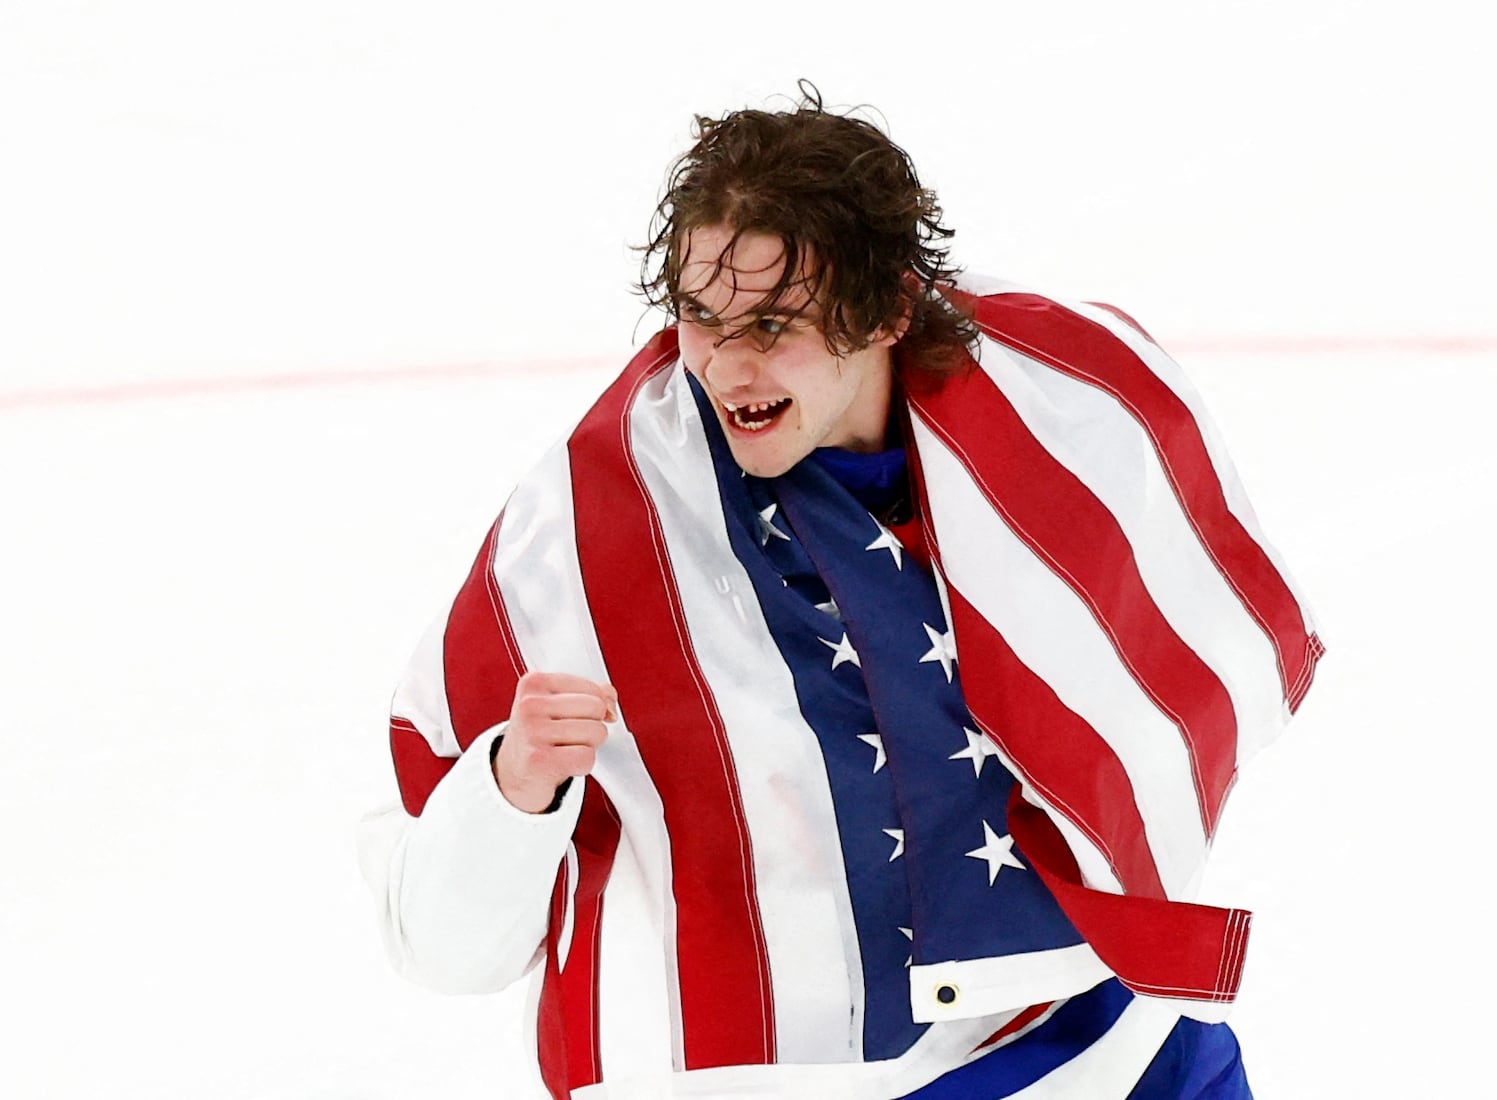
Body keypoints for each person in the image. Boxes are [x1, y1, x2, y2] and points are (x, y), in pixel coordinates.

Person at [359, 85, 1324, 1100]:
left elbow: (1206, 669)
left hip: (1092, 1033)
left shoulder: (1062, 416)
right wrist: (514, 787)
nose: (727, 365)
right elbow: (438, 943)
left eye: (774, 323)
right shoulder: (586, 534)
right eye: (698, 315)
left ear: (888, 310)